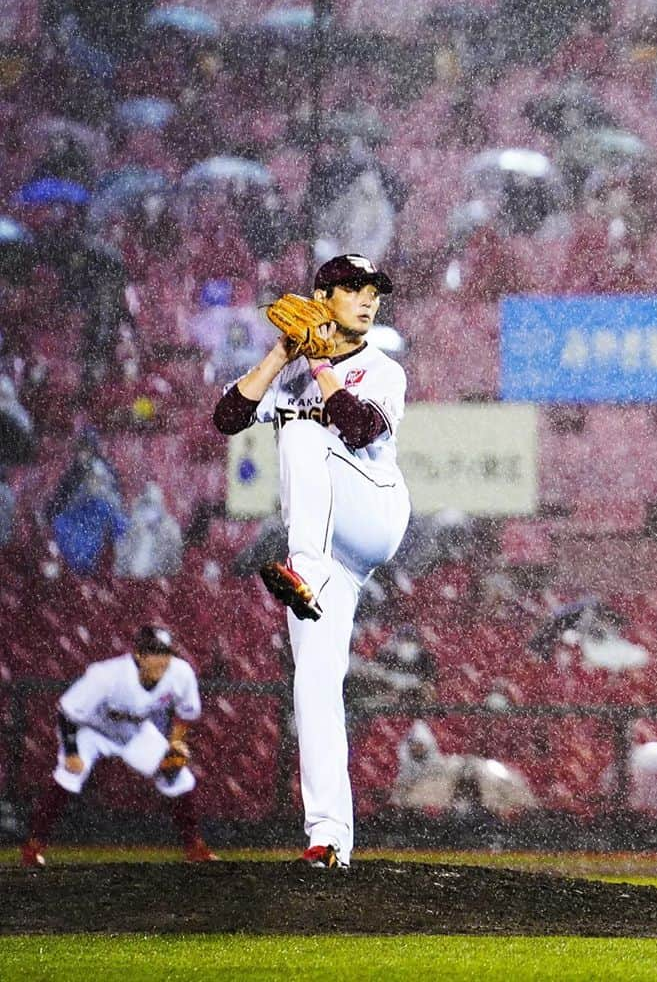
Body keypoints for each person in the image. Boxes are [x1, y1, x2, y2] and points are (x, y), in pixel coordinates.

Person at [211, 253, 410, 869]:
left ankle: (303, 568)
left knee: (302, 433)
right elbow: (227, 418)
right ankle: (329, 839)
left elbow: (354, 428)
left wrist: (319, 361)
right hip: (327, 562)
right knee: (314, 685)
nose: (368, 298)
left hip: (372, 511)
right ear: (321, 296)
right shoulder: (292, 371)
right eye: (353, 287)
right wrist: (280, 355)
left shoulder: (383, 368)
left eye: (373, 289)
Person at [20, 625, 217, 866]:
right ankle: (33, 847)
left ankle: (195, 848)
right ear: (138, 655)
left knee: (176, 773)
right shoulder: (106, 675)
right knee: (70, 774)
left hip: (134, 731)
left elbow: (186, 713)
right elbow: (67, 712)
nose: (161, 659)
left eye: (166, 653)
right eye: (154, 652)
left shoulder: (180, 673)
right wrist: (71, 751)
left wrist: (174, 743)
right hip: (92, 730)